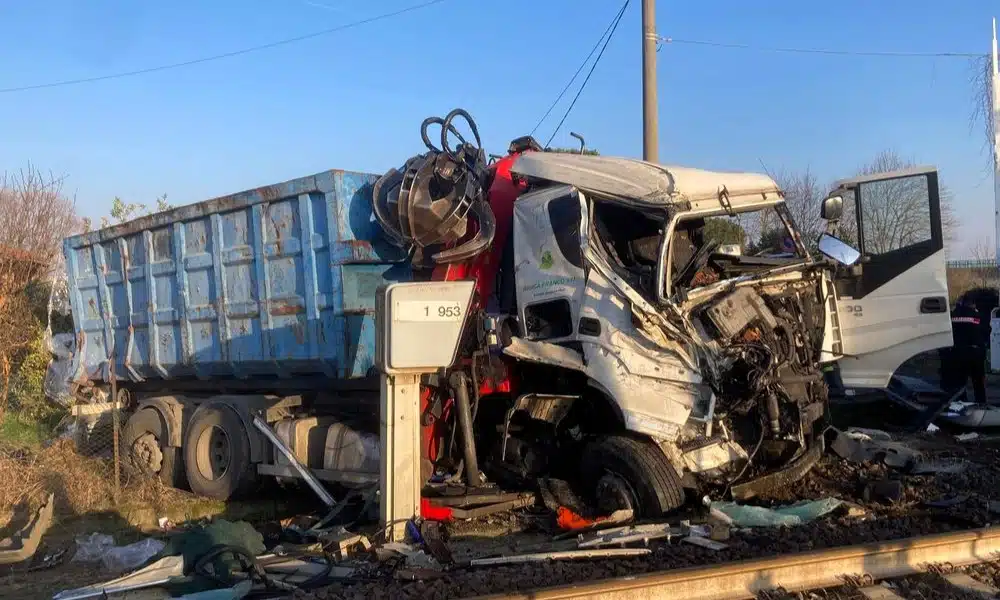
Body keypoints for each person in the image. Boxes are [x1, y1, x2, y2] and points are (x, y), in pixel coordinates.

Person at [939, 297, 988, 405]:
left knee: (960, 383)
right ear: (972, 304)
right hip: (975, 353)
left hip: (957, 353)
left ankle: (961, 404)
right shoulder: (978, 316)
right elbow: (986, 331)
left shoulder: (952, 315)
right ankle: (981, 404)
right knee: (978, 383)